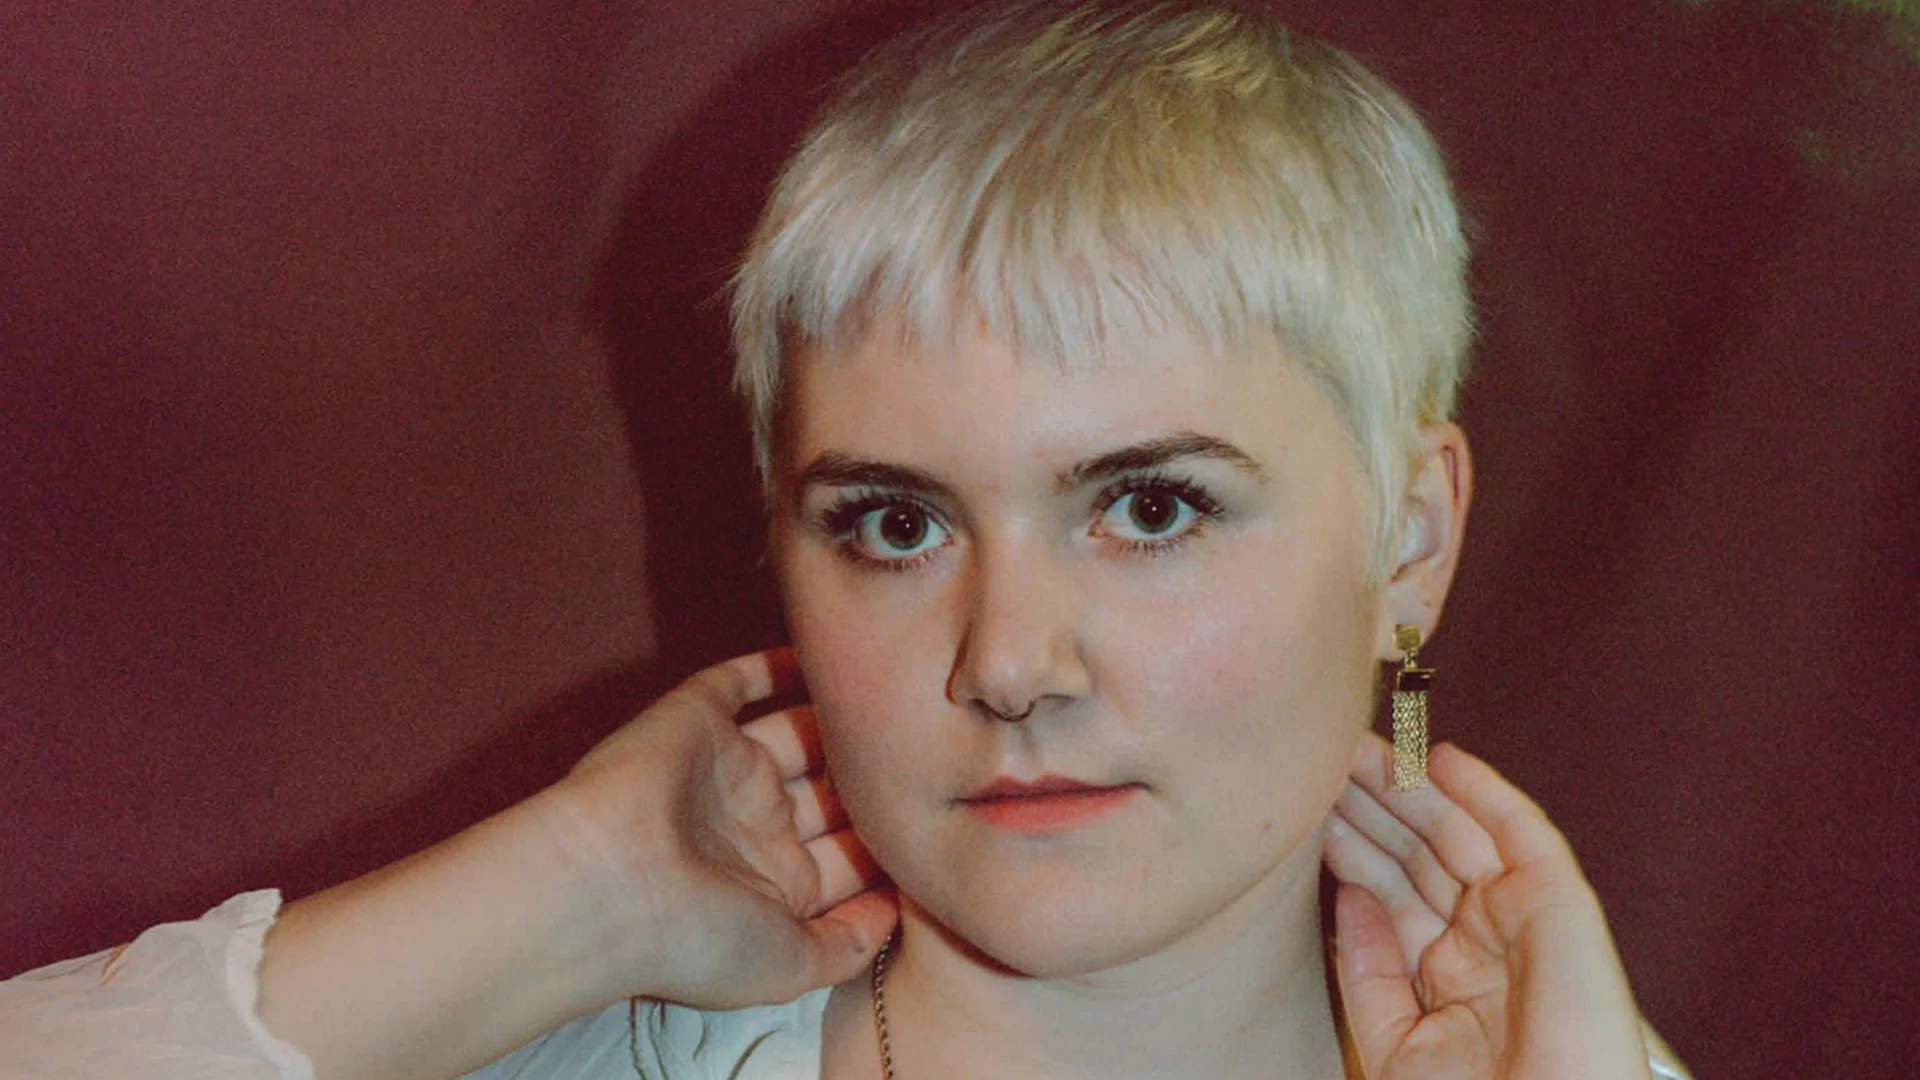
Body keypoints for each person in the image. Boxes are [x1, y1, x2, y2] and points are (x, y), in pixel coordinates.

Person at [2, 3, 1690, 1078]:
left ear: (1408, 541)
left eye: (1151, 506)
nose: (1010, 662)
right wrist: (578, 896)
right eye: (894, 523)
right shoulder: (597, 1052)